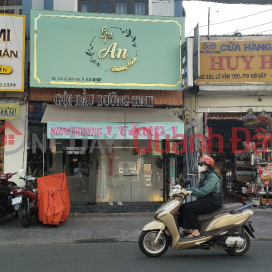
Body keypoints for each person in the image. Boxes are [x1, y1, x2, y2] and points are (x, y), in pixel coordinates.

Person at [178, 156, 223, 239]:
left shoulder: (212, 177)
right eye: (200, 164)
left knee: (188, 208)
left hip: (212, 202)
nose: (200, 166)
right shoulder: (204, 175)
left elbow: (205, 191)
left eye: (202, 164)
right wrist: (184, 190)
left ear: (208, 166)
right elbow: (197, 187)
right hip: (205, 200)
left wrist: (191, 192)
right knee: (183, 207)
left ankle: (195, 232)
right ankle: (187, 230)